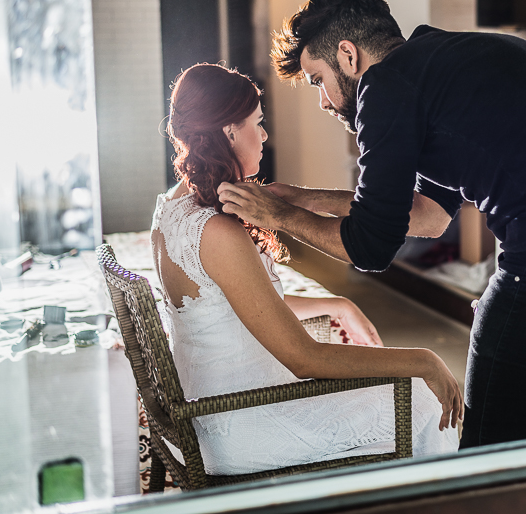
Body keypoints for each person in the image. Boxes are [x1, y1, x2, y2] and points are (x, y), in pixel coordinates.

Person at [217, 0, 526, 448]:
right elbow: (428, 216)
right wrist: (303, 200)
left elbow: (371, 247)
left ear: (348, 56)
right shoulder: (443, 66)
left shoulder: (384, 86)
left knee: (486, 455)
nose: (324, 102)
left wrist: (278, 218)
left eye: (318, 82)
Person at [151, 63, 461, 475]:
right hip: (240, 420)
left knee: (403, 395)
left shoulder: (173, 207)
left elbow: (231, 304)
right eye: (257, 124)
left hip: (207, 411)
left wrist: (334, 303)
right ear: (228, 130)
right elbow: (304, 358)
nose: (263, 136)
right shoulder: (216, 231)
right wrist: (423, 359)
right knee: (424, 400)